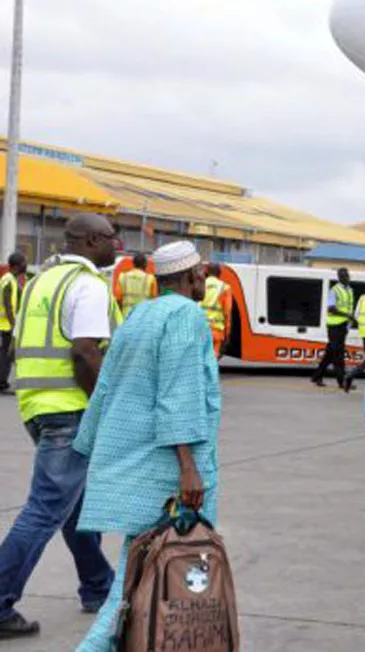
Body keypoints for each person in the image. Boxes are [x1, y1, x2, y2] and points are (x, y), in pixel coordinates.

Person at [72, 241, 222, 652]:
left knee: (136, 580)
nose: (204, 281)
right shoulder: (187, 315)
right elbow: (179, 392)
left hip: (134, 467)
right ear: (193, 276)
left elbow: (106, 388)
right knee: (148, 588)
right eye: (202, 275)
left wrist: (89, 448)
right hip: (169, 477)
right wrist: (188, 467)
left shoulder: (139, 315)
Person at [0, 214, 121, 640]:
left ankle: (98, 586)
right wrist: (105, 407)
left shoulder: (39, 282)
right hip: (71, 410)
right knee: (46, 508)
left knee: (77, 506)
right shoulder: (87, 285)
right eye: (111, 237)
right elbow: (85, 352)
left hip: (37, 405)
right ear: (91, 240)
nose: (117, 244)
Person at [312, 267, 355, 387]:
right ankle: (342, 382)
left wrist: (349, 321)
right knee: (339, 354)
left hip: (343, 326)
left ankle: (317, 376)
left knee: (330, 353)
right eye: (343, 276)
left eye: (347, 275)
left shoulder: (350, 290)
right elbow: (331, 309)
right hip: (334, 326)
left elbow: (349, 307)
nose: (346, 278)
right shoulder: (334, 290)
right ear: (339, 278)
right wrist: (348, 315)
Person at [0, 252, 29, 394]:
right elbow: (7, 304)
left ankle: (3, 382)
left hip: (7, 324)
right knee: (6, 355)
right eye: (24, 262)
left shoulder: (12, 279)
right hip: (5, 325)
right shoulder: (8, 280)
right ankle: (2, 383)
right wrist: (13, 323)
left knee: (7, 355)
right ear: (17, 266)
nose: (26, 265)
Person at [201, 262, 233, 358]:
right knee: (212, 360)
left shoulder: (200, 285)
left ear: (206, 271)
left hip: (200, 329)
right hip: (216, 332)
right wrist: (227, 333)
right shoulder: (225, 288)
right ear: (219, 272)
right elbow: (227, 312)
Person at [113, 253, 156, 319]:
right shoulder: (150, 279)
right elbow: (154, 301)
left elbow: (118, 299)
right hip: (143, 317)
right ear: (145, 264)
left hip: (126, 317)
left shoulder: (123, 277)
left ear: (133, 264)